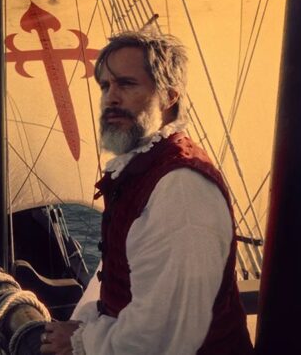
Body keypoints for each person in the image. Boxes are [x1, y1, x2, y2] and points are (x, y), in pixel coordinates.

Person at [40, 30, 253, 355]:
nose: (111, 97)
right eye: (106, 86)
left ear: (168, 97)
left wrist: (81, 341)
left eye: (126, 84)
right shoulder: (147, 167)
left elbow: (164, 338)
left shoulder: (180, 190)